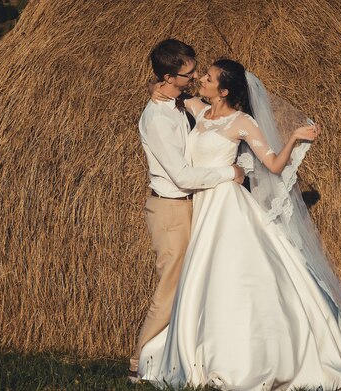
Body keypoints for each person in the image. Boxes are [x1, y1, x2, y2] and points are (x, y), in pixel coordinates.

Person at [138, 59, 341, 390]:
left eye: (207, 78)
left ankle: (241, 357)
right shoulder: (197, 107)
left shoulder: (243, 123)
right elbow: (168, 96)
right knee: (202, 275)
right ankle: (200, 351)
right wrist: (155, 87)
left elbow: (274, 165)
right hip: (205, 206)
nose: (200, 81)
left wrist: (294, 139)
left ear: (223, 91)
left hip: (228, 206)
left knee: (233, 276)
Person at [130, 40, 245, 382]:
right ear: (169, 76)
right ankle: (137, 365)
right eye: (189, 73)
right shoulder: (158, 120)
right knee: (170, 288)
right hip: (171, 210)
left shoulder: (173, 101)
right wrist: (230, 173)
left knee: (191, 283)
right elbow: (181, 176)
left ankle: (185, 355)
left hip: (189, 207)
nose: (195, 77)